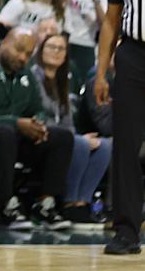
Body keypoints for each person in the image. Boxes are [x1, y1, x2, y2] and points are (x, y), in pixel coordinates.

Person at [0, 27, 73, 229]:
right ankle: (5, 205)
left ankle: (45, 204)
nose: (23, 57)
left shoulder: (26, 73)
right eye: (19, 50)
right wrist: (16, 123)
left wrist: (38, 124)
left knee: (62, 137)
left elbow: (38, 109)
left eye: (28, 53)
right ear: (5, 42)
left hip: (17, 138)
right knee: (4, 133)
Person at [96, 0, 145, 255]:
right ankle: (126, 229)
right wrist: (100, 73)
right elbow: (111, 21)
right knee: (126, 144)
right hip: (133, 56)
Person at [33, 32, 110, 230]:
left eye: (61, 49)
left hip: (65, 135)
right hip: (41, 133)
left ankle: (83, 202)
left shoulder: (64, 79)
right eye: (51, 47)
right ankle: (68, 203)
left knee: (105, 146)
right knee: (79, 142)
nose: (56, 52)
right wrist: (75, 137)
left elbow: (67, 118)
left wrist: (76, 135)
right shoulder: (33, 75)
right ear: (41, 51)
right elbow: (37, 113)